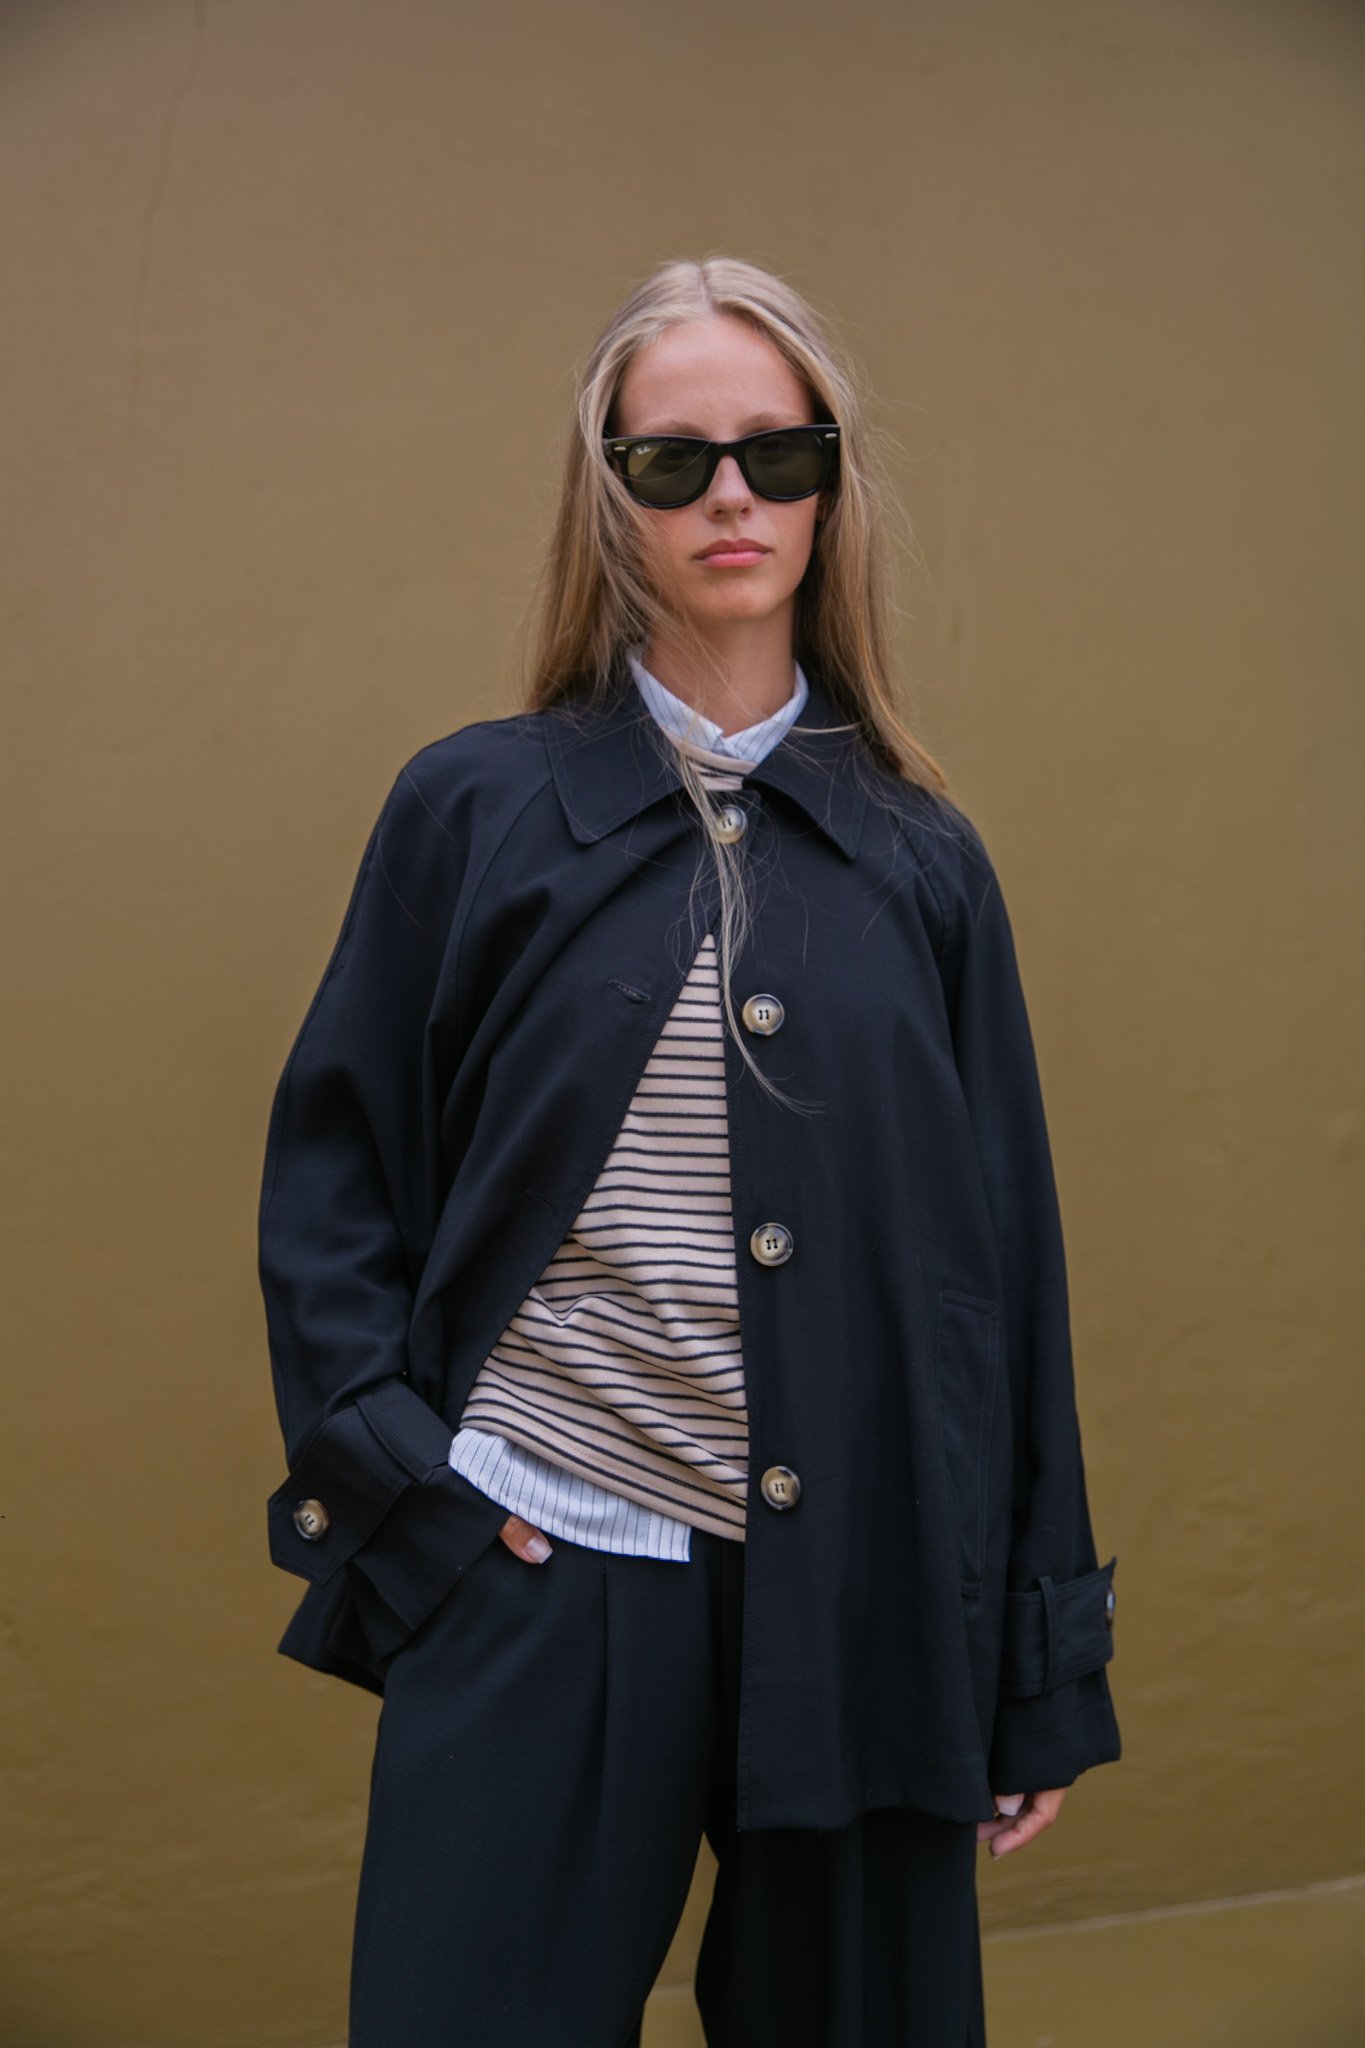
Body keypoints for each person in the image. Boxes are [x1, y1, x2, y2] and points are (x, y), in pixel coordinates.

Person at [257, 256, 1122, 2047]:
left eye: (774, 454)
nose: (732, 497)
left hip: (866, 1597)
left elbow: (1003, 1287)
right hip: (543, 1563)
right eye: (674, 461)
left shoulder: (920, 862)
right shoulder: (474, 811)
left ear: (826, 487)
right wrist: (416, 1497)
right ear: (611, 497)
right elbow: (335, 1188)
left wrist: (1032, 1657)